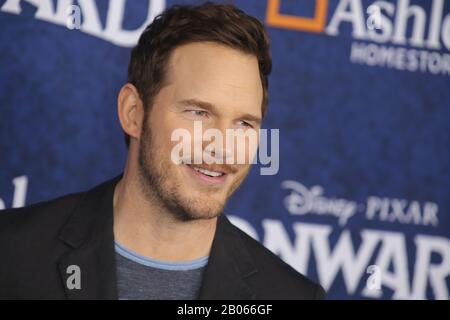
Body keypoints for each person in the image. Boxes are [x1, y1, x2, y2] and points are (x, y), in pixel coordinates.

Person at [0, 2, 325, 300]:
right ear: (133, 112)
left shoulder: (289, 295)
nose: (224, 148)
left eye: (244, 124)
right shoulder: (11, 253)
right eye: (198, 113)